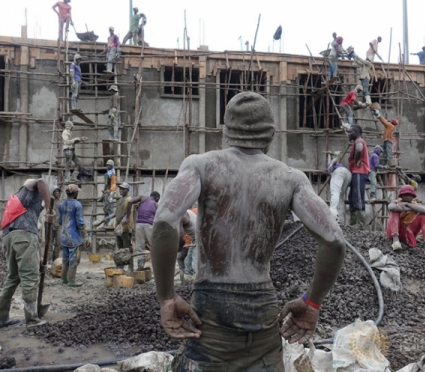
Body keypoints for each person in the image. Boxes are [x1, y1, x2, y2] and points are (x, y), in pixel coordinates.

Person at [150, 92, 346, 371]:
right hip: (262, 311)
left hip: (212, 309)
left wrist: (167, 298)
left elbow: (164, 221)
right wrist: (312, 302)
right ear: (271, 135)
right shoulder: (290, 178)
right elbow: (335, 241)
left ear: (226, 131)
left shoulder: (201, 165)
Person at [0, 178, 52, 330]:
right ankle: (32, 320)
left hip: (9, 237)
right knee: (30, 277)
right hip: (24, 236)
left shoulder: (17, 202)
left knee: (12, 277)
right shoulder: (29, 191)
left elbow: (26, 239)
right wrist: (49, 209)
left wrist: (38, 258)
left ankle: (2, 319)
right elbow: (41, 181)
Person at [388, 185, 425, 257]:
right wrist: (406, 208)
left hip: (408, 232)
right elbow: (391, 207)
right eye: (405, 195)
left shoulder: (416, 204)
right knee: (394, 211)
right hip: (395, 231)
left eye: (410, 195)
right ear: (401, 196)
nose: (408, 196)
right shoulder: (396, 202)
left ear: (413, 196)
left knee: (424, 216)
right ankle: (396, 241)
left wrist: (408, 205)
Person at [57, 184, 86, 287]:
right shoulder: (77, 205)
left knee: (65, 258)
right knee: (74, 259)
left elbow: (59, 220)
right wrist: (85, 235)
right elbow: (80, 222)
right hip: (74, 237)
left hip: (64, 236)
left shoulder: (61, 204)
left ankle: (63, 279)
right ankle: (71, 280)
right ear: (75, 193)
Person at [127, 191, 160, 269]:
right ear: (157, 197)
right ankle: (158, 267)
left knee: (140, 248)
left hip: (139, 225)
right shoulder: (156, 205)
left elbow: (130, 202)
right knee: (154, 247)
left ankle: (140, 267)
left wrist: (127, 217)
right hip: (149, 226)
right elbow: (158, 219)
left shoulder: (142, 197)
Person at [348, 124, 370, 228]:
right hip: (356, 172)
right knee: (352, 197)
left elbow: (359, 149)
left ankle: (360, 224)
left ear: (356, 133)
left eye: (350, 132)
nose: (348, 134)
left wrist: (356, 161)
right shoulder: (356, 142)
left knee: (358, 197)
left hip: (359, 172)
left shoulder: (359, 141)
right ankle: (353, 223)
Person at [328, 157, 352, 224]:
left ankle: (332, 216)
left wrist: (330, 164)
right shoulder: (341, 165)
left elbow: (335, 158)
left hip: (339, 172)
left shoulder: (332, 165)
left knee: (335, 193)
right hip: (348, 174)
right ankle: (341, 220)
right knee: (340, 196)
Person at [176, 209, 197, 278]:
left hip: (201, 238)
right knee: (188, 264)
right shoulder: (185, 211)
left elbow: (181, 238)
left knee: (195, 264)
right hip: (195, 238)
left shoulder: (180, 217)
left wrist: (177, 248)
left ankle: (199, 283)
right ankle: (189, 283)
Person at [49, 187, 62, 262]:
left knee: (58, 243)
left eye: (58, 191)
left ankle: (55, 259)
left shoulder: (61, 202)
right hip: (50, 224)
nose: (57, 192)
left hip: (58, 225)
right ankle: (49, 259)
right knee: (49, 243)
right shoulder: (49, 201)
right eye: (55, 191)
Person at [101, 159, 116, 224]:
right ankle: (106, 223)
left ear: (112, 166)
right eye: (107, 165)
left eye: (109, 165)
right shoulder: (107, 174)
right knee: (105, 209)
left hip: (109, 193)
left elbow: (113, 185)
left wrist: (111, 195)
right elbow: (106, 184)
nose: (107, 166)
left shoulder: (112, 175)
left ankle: (111, 223)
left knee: (110, 208)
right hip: (105, 193)